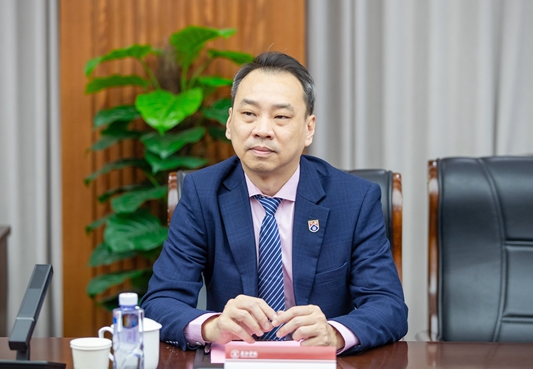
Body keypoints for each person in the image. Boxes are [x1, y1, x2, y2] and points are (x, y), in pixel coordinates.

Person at [141, 52, 408, 354]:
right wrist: (212, 326)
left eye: (280, 117)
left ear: (309, 128)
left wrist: (333, 333)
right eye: (249, 114)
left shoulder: (354, 199)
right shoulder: (202, 194)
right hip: (237, 360)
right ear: (229, 123)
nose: (262, 130)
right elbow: (160, 301)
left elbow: (388, 307)